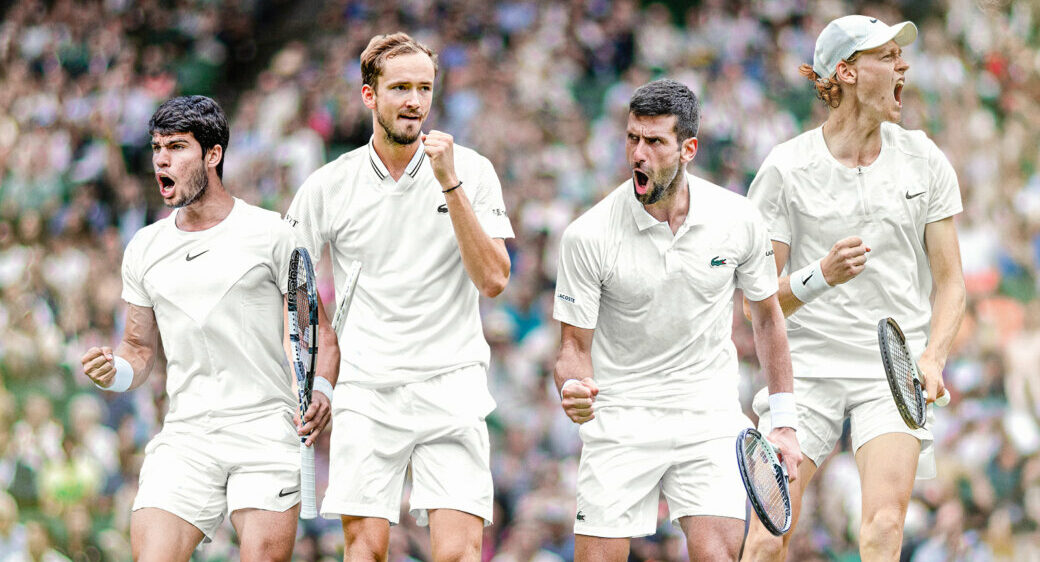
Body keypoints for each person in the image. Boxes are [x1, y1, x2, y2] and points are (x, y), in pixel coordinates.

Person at [740, 16, 966, 561]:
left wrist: (933, 358)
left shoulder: (924, 157)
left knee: (884, 527)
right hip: (804, 370)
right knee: (769, 539)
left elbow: (952, 281)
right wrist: (822, 275)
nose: (902, 66)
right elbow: (758, 302)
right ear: (845, 73)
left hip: (891, 369)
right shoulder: (785, 169)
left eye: (899, 56)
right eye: (887, 57)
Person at [284, 32, 513, 561]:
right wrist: (322, 372)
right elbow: (289, 280)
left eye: (425, 88)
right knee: (365, 552)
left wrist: (449, 184)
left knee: (458, 553)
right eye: (401, 87)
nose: (415, 100)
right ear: (370, 95)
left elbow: (495, 280)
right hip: (366, 391)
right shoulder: (328, 185)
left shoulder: (470, 170)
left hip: (451, 383)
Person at [552, 78, 802, 562]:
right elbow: (572, 349)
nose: (637, 154)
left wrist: (785, 423)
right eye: (631, 139)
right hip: (621, 416)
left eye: (654, 142)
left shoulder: (738, 218)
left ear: (688, 148)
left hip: (706, 414)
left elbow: (768, 319)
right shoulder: (587, 236)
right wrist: (574, 386)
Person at [80, 95, 339, 562]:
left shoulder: (274, 234)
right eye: (157, 147)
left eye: (177, 147)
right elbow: (138, 349)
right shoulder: (143, 247)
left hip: (266, 430)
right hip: (186, 434)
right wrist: (114, 372)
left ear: (213, 154)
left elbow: (320, 336)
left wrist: (321, 391)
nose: (162, 158)